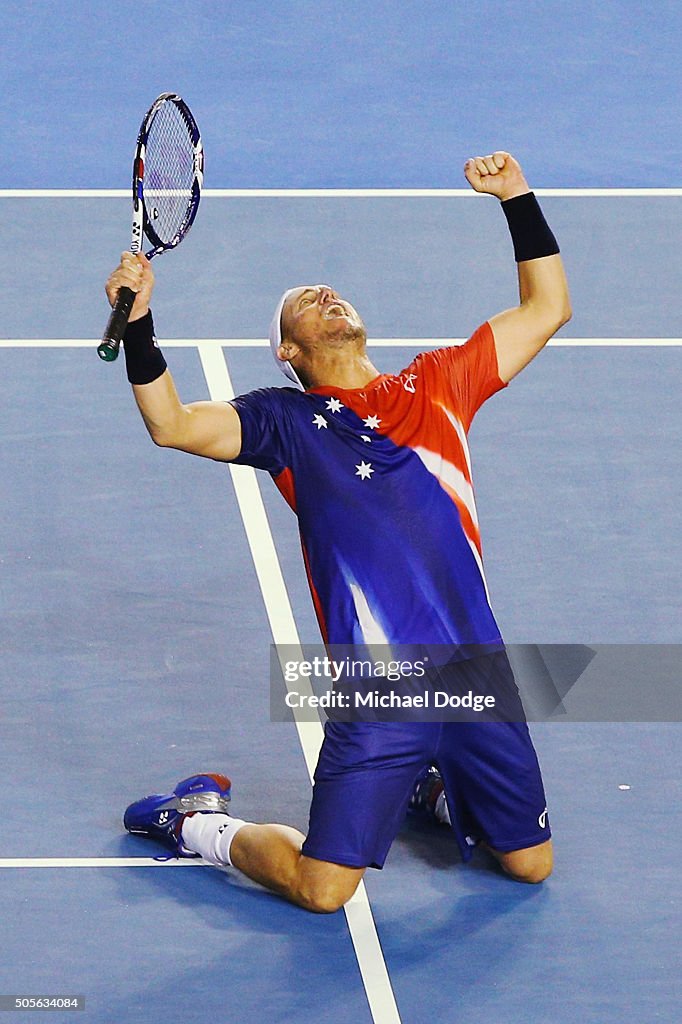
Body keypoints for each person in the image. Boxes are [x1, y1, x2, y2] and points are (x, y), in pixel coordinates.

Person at [113, 151, 571, 913]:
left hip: (474, 677)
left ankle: (430, 787)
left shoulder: (440, 382)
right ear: (289, 352)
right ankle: (198, 821)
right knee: (323, 891)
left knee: (531, 865)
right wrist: (139, 326)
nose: (325, 296)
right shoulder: (285, 423)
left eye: (328, 292)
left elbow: (546, 307)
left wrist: (517, 197)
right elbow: (172, 423)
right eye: (303, 303)